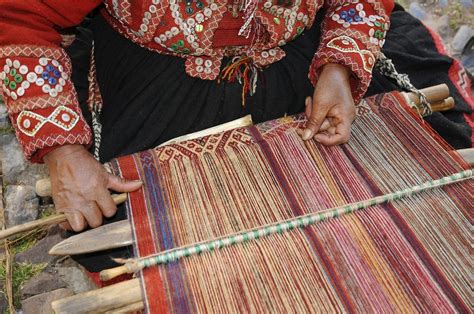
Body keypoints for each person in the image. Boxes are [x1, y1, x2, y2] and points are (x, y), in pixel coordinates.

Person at [0, 1, 471, 271]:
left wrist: (340, 66)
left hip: (302, 59)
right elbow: (23, 16)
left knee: (412, 195)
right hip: (159, 82)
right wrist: (62, 148)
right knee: (165, 253)